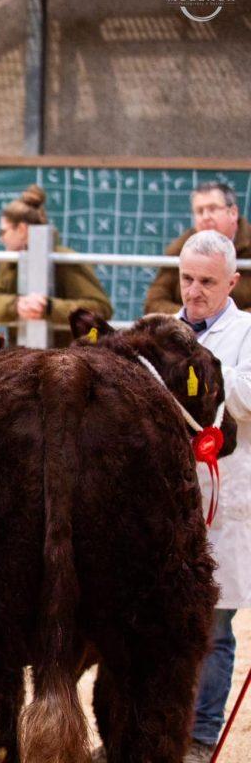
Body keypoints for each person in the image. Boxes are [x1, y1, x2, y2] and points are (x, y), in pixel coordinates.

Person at [173, 230, 251, 763]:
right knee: (160, 622)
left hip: (228, 501)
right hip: (166, 500)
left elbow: (246, 397)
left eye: (206, 282)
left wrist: (196, 373)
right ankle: (154, 732)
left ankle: (200, 741)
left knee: (214, 627)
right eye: (186, 279)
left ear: (232, 282)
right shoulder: (162, 330)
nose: (193, 292)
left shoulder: (247, 333)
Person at [0, 185, 113, 345]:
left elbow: (101, 308)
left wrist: (48, 307)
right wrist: (16, 305)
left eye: (3, 232)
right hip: (23, 354)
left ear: (21, 229)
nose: (1, 239)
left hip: (65, 356)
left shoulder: (65, 260)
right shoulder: (10, 262)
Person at [145, 181, 251, 316]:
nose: (205, 217)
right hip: (192, 332)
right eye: (200, 211)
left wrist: (227, 322)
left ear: (233, 212)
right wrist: (191, 318)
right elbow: (154, 302)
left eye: (213, 209)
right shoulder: (179, 249)